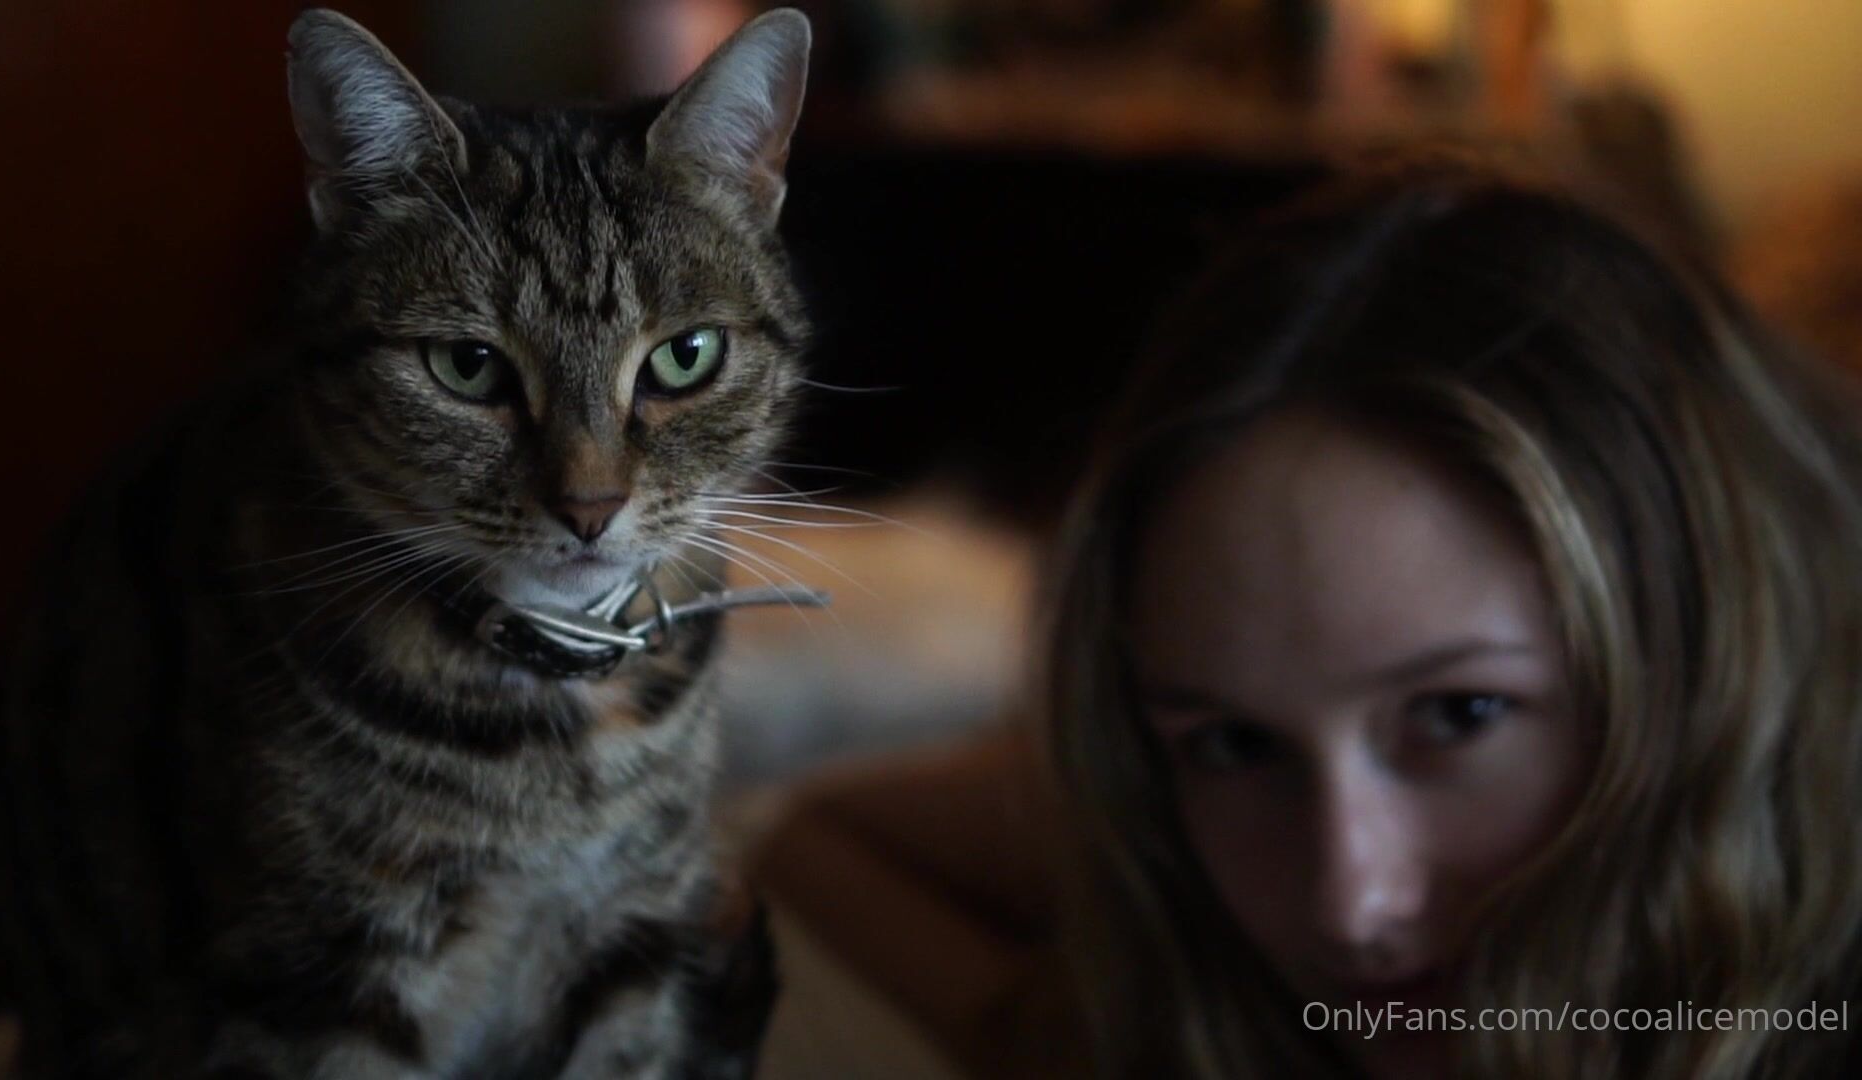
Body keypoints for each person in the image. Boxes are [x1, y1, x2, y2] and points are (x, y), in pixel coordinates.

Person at [755, 158, 1862, 1078]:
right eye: (1236, 744)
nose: (1352, 901)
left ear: (1708, 656)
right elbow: (823, 834)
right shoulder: (1166, 852)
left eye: (1460, 714)